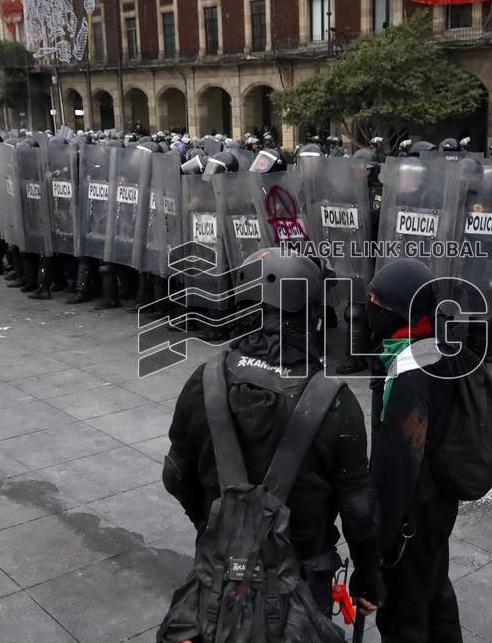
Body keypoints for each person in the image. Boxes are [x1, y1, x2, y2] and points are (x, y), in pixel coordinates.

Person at [162, 247, 384, 622]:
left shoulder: (205, 379)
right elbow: (357, 510)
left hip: (218, 581)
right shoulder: (336, 404)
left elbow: (175, 474)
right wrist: (369, 576)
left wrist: (212, 525)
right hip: (300, 588)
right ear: (313, 315)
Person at [367, 258, 463, 641]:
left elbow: (398, 466)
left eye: (379, 302)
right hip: (437, 505)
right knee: (435, 593)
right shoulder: (434, 345)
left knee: (402, 617)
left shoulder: (409, 372)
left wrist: (379, 540)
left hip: (413, 516)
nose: (369, 306)